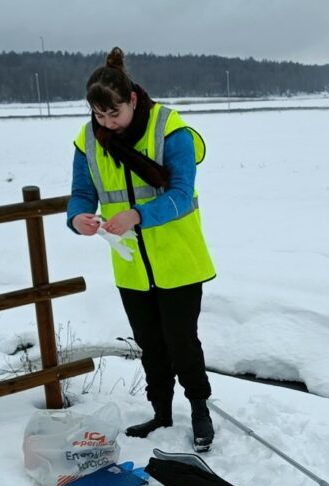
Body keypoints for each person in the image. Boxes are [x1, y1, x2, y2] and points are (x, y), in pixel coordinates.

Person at [67, 47, 217, 452]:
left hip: (178, 260)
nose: (106, 124)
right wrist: (78, 217)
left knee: (182, 341)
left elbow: (182, 194)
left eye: (113, 114)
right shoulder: (89, 140)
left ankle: (200, 409)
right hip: (131, 264)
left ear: (132, 99)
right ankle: (162, 412)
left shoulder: (170, 128)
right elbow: (82, 192)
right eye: (98, 116)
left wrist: (137, 215)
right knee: (150, 344)